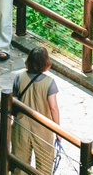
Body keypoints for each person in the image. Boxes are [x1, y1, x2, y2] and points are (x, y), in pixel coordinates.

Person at [11, 46, 60, 175]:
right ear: (46, 63)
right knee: (44, 167)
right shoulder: (50, 83)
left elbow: (13, 103)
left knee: (19, 166)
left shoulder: (19, 77)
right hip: (43, 129)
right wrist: (58, 131)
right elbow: (53, 108)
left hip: (21, 127)